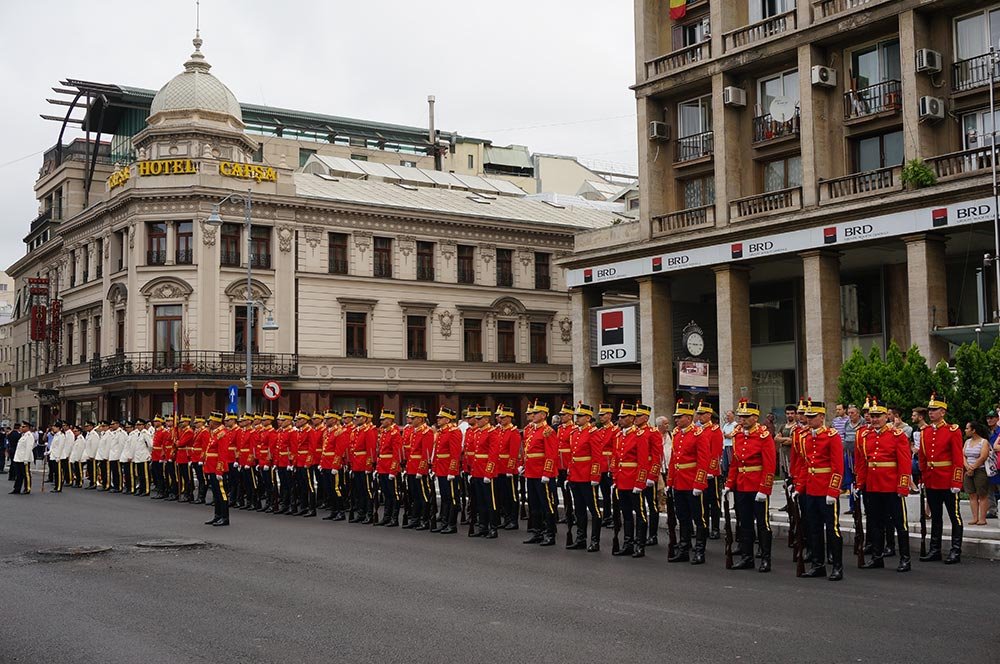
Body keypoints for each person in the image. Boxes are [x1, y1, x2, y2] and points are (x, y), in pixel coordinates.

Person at [855, 397, 912, 572]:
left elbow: (905, 463)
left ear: (886, 417)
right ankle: (877, 556)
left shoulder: (897, 435)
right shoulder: (865, 436)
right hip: (872, 486)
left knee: (899, 523)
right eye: (872, 416)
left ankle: (905, 558)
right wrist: (860, 484)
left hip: (891, 486)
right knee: (875, 523)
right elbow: (863, 462)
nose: (874, 419)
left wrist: (903, 486)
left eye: (878, 415)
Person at [792, 399, 845, 581]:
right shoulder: (805, 437)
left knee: (832, 529)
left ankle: (837, 566)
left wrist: (833, 490)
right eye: (807, 416)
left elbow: (837, 467)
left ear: (821, 417)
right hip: (811, 489)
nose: (808, 419)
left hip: (826, 489)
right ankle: (817, 564)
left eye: (812, 416)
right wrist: (799, 487)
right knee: (813, 529)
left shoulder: (831, 436)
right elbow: (805, 465)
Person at [725, 399, 776, 572]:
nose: (742, 420)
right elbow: (735, 463)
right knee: (744, 523)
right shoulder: (737, 435)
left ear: (755, 417)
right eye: (740, 416)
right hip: (741, 485)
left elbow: (769, 465)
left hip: (757, 485)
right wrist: (729, 484)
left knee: (762, 523)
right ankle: (747, 557)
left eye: (746, 417)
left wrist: (764, 488)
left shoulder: (763, 435)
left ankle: (765, 558)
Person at [917, 393, 965, 564]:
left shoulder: (952, 431)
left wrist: (957, 481)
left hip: (947, 480)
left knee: (954, 516)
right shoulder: (925, 432)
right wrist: (922, 477)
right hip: (931, 479)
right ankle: (935, 549)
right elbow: (923, 457)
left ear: (943, 412)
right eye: (930, 410)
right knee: (936, 516)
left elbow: (958, 458)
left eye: (935, 410)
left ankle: (955, 549)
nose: (931, 413)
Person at [667, 400, 710, 564]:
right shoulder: (677, 433)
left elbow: (703, 460)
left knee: (699, 519)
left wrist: (699, 484)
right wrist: (670, 482)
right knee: (682, 517)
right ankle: (684, 548)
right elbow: (673, 460)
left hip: (692, 482)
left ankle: (699, 550)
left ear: (688, 417)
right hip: (679, 482)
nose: (676, 420)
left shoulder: (699, 434)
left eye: (679, 417)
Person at [611, 403, 649, 558]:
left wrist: (640, 482)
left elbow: (643, 461)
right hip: (621, 480)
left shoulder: (639, 435)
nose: (620, 419)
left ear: (632, 418)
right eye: (619, 417)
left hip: (633, 480)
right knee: (626, 514)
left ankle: (640, 544)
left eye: (623, 417)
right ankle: (628, 543)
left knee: (640, 514)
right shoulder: (619, 436)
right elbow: (615, 458)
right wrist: (615, 478)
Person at [566, 403, 602, 552]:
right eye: (577, 416)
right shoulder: (574, 433)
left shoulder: (593, 433)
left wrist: (595, 475)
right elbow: (572, 456)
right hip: (575, 476)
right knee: (579, 509)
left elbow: (597, 457)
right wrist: (569, 475)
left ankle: (595, 540)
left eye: (580, 416)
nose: (577, 419)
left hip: (587, 476)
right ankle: (580, 538)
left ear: (588, 418)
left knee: (594, 510)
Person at [432, 406, 462, 534]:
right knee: (444, 497)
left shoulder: (453, 432)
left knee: (452, 498)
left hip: (449, 469)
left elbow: (455, 453)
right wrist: (434, 468)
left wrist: (452, 470)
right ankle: (444, 522)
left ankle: (451, 524)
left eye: (441, 418)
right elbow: (437, 452)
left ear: (448, 420)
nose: (438, 420)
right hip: (441, 468)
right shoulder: (442, 432)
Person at [695, 402, 723, 540]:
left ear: (709, 415)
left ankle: (716, 528)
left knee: (714, 500)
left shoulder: (714, 430)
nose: (699, 416)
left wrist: (711, 470)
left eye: (702, 414)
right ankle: (704, 527)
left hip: (712, 473)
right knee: (703, 501)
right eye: (698, 414)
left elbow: (716, 452)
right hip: (701, 471)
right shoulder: (698, 430)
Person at [375, 409, 402, 527]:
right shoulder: (383, 432)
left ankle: (394, 518)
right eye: (381, 419)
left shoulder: (394, 433)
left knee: (393, 493)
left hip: (390, 467)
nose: (381, 421)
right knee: (386, 493)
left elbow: (397, 453)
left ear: (390, 420)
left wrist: (393, 469)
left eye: (384, 419)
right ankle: (386, 516)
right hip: (382, 466)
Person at [203, 412, 230, 526]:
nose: (208, 423)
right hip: (211, 467)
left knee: (221, 493)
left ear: (214, 422)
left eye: (210, 421)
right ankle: (217, 515)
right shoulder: (215, 433)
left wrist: (219, 470)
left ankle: (225, 517)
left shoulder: (222, 434)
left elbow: (222, 454)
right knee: (216, 493)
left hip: (217, 468)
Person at [962, 421, 991, 526]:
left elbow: (983, 456)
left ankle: (982, 518)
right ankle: (974, 517)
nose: (965, 430)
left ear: (973, 430)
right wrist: (967, 466)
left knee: (982, 494)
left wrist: (973, 467)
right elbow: (963, 455)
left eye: (967, 428)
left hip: (980, 470)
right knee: (972, 494)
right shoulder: (967, 442)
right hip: (968, 469)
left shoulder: (984, 442)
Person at [10, 422, 33, 494]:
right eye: (21, 427)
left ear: (27, 428)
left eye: (23, 427)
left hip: (24, 459)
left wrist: (26, 459)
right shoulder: (23, 435)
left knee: (26, 474)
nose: (21, 428)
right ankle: (17, 489)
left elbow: (28, 448)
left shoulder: (29, 436)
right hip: (19, 458)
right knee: (19, 474)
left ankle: (27, 488)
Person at [776, 405, 797, 480]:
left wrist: (782, 440)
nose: (789, 415)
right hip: (783, 454)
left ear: (795, 414)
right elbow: (776, 438)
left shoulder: (797, 427)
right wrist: (786, 438)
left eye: (792, 413)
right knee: (785, 476)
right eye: (788, 414)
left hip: (792, 454)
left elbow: (791, 441)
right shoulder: (782, 426)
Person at [985, 410, 999, 519]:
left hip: (998, 460)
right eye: (988, 418)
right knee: (990, 487)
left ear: (997, 418)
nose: (989, 420)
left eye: (992, 418)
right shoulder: (988, 432)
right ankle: (992, 509)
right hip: (990, 463)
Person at [721, 410, 737, 478]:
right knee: (725, 464)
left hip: (731, 446)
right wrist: (727, 435)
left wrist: (726, 435)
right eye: (727, 415)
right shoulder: (725, 425)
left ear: (733, 416)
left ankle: (731, 477)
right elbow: (723, 434)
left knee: (731, 463)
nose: (727, 417)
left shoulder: (735, 425)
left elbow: (732, 436)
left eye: (729, 415)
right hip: (725, 446)